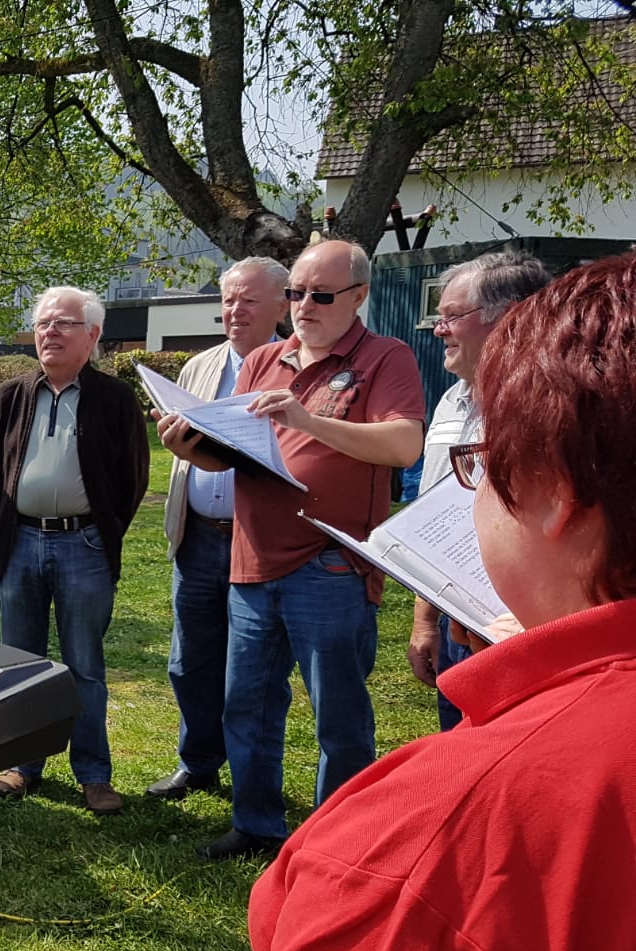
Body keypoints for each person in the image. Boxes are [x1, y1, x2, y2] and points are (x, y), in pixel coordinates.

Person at [199, 251, 636, 951]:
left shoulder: (469, 823)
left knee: (334, 724)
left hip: (323, 573)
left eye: (481, 467)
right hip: (256, 563)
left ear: (556, 498)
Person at [156, 240, 425, 860]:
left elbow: (403, 445)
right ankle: (256, 826)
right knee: (246, 706)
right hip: (251, 559)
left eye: (321, 295)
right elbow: (235, 454)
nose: (304, 306)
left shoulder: (384, 356)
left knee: (339, 715)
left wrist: (307, 421)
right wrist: (190, 448)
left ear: (359, 297)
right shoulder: (264, 359)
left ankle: (338, 842)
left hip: (329, 562)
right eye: (297, 293)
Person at [0, 286, 150, 816]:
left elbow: (133, 477)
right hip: (20, 543)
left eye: (64, 323)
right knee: (20, 662)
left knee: (85, 666)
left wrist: (102, 530)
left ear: (92, 335)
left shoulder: (115, 399)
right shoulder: (10, 396)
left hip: (85, 545)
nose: (50, 332)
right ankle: (22, 764)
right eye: (43, 323)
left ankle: (94, 774)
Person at [146, 257, 290, 802]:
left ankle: (253, 783)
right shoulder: (199, 367)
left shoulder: (297, 368)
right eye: (229, 300)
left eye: (249, 300)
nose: (235, 311)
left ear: (282, 306)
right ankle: (198, 762)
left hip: (261, 539)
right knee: (190, 661)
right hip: (200, 536)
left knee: (251, 670)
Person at [404, 251, 550, 731]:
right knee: (459, 744)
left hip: (520, 625)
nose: (438, 330)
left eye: (451, 317)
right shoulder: (452, 400)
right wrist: (426, 619)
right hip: (457, 622)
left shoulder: (555, 403)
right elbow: (434, 520)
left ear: (508, 316)